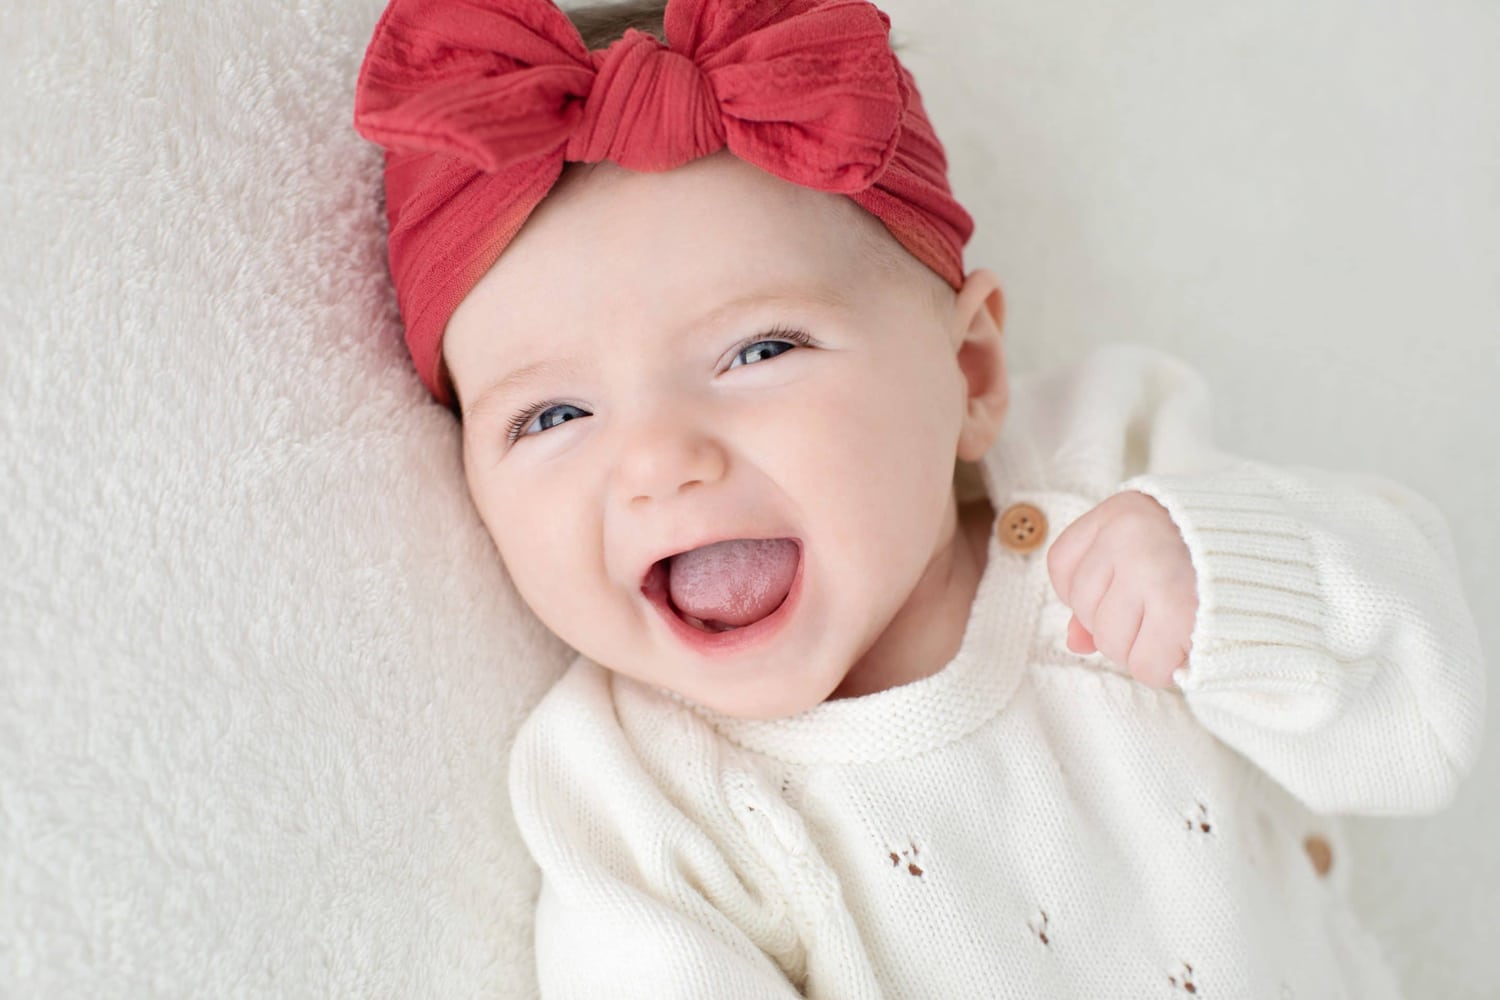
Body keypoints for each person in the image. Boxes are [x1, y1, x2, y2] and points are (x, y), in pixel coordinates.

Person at [352, 0, 1486, 995]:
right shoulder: (636, 797)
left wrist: (1230, 580)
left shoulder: (1106, 467)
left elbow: (1416, 725)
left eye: (758, 350)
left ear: (971, 373)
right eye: (552, 417)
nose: (661, 460)